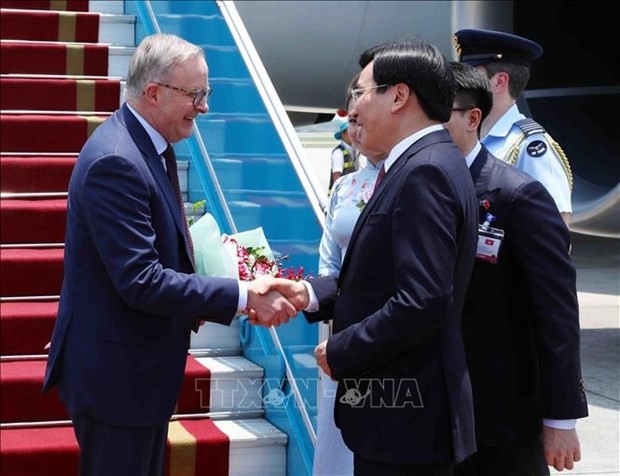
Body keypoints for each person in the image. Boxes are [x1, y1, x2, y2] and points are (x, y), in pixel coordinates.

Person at [42, 33, 296, 476]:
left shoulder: (150, 147)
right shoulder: (116, 161)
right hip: (117, 378)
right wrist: (242, 294)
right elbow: (141, 280)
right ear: (154, 93)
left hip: (133, 371)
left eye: (207, 93)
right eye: (195, 94)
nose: (204, 107)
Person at [262, 39, 480, 475]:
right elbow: (374, 277)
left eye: (361, 93)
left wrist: (342, 350)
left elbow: (422, 300)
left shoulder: (426, 171)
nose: (352, 109)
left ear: (399, 96)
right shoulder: (417, 163)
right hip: (399, 412)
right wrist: (307, 293)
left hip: (406, 417)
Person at [444, 61, 588, 476]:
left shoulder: (523, 170)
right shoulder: (423, 180)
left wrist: (560, 415)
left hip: (502, 404)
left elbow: (555, 301)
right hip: (438, 403)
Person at [313, 74, 386, 476]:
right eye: (351, 123)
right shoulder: (346, 188)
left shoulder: (412, 177)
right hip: (340, 333)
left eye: (362, 121)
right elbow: (329, 261)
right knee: (336, 436)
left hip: (384, 332)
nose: (355, 131)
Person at [453, 28, 573, 226]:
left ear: (499, 82)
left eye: (470, 76)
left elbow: (555, 237)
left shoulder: (531, 147)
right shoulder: (467, 138)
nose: (460, 85)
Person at [328, 120, 359, 194]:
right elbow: (336, 177)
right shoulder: (338, 152)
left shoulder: (353, 150)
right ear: (343, 134)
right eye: (349, 132)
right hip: (341, 193)